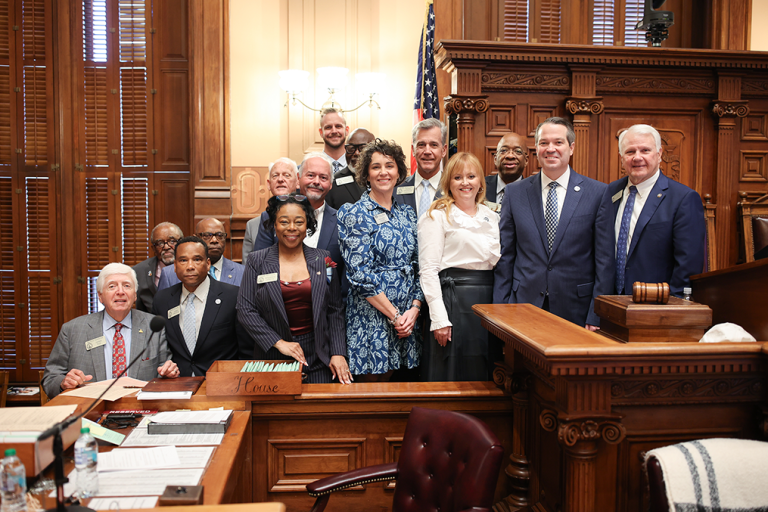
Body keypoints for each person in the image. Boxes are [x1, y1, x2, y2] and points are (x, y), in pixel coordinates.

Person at [493, 117, 614, 329]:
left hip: (576, 309)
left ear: (571, 147)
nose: (551, 149)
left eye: (558, 142)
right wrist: (500, 308)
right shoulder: (515, 193)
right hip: (523, 306)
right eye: (543, 143)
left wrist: (597, 314)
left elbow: (604, 261)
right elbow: (506, 256)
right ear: (536, 149)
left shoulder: (597, 193)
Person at [237, 194, 351, 384]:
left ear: (308, 225)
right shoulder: (257, 260)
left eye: (299, 222)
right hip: (272, 357)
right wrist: (279, 343)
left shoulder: (323, 260)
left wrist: (338, 353)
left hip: (318, 358)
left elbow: (335, 310)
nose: (291, 228)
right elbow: (245, 310)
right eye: (284, 222)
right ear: (274, 225)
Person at [338, 139, 423, 381]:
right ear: (366, 173)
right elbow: (359, 274)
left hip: (408, 317)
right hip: (372, 317)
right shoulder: (353, 213)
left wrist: (414, 310)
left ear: (399, 172)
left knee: (395, 388)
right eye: (376, 167)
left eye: (390, 165)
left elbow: (419, 265)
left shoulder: (407, 213)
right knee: (371, 391)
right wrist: (394, 316)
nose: (383, 172)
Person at [418, 152, 500, 381]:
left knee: (485, 367)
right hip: (453, 300)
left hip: (488, 301)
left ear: (481, 182)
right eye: (457, 177)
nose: (465, 182)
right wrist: (439, 318)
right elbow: (428, 270)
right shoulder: (436, 216)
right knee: (453, 371)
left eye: (471, 176)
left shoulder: (491, 216)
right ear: (448, 183)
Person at [42, 263, 179, 398]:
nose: (120, 291)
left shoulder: (153, 327)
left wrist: (169, 374)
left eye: (127, 286)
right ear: (100, 296)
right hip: (89, 412)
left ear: (135, 295)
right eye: (112, 286)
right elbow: (50, 379)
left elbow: (164, 372)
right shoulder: (72, 330)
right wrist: (63, 383)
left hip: (139, 410)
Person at [609, 124, 705, 297]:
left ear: (659, 154)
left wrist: (672, 305)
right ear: (621, 157)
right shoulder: (610, 192)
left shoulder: (683, 198)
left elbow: (688, 264)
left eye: (645, 150)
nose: (637, 157)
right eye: (630, 152)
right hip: (611, 302)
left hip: (657, 304)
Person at [152, 236, 251, 377]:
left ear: (208, 263)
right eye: (183, 260)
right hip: (178, 386)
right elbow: (159, 349)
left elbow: (246, 350)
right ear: (174, 266)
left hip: (222, 385)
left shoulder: (233, 296)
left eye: (197, 259)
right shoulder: (162, 300)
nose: (190, 266)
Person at [253, 153, 345, 292]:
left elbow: (344, 276)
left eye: (323, 177)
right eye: (310, 175)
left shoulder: (341, 221)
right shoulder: (271, 216)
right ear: (298, 179)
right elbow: (259, 266)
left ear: (330, 184)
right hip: (277, 304)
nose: (316, 181)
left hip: (326, 308)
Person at [158, 218, 244, 290]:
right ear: (196, 238)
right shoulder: (169, 274)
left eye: (220, 235)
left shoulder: (242, 272)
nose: (214, 240)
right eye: (207, 235)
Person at [242, 158, 300, 261]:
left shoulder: (307, 218)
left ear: (297, 182)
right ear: (269, 184)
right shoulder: (252, 226)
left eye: (286, 175)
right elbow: (248, 269)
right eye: (275, 175)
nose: (280, 179)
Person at [394, 118, 447, 216]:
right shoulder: (395, 189)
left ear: (443, 150)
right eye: (421, 145)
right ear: (413, 150)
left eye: (433, 145)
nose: (427, 151)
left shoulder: (454, 189)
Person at [133, 222, 183, 312]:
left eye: (172, 241)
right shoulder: (139, 271)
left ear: (181, 243)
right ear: (153, 248)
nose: (166, 247)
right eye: (160, 243)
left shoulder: (192, 267)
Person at [326, 128, 375, 209]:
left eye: (362, 148)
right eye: (351, 148)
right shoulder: (333, 183)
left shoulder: (385, 179)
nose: (356, 153)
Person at [488, 131, 528, 206]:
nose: (510, 156)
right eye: (504, 150)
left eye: (518, 151)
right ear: (495, 159)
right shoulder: (479, 187)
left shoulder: (534, 192)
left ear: (526, 160)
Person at [318, 107, 350, 173]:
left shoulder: (360, 167)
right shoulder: (309, 167)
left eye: (338, 126)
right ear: (321, 132)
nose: (334, 131)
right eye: (328, 127)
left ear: (346, 130)